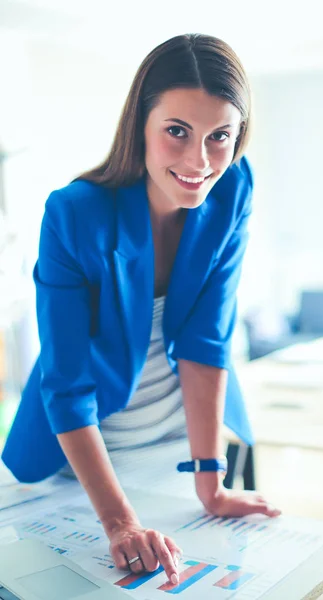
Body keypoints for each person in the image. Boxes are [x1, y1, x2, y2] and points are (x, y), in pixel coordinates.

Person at [2, 33, 280, 586]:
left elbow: (208, 338)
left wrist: (210, 482)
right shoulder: (74, 213)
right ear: (141, 126)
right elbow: (67, 383)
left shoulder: (233, 188)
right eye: (177, 131)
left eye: (220, 136)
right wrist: (120, 521)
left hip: (177, 443)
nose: (199, 161)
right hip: (82, 455)